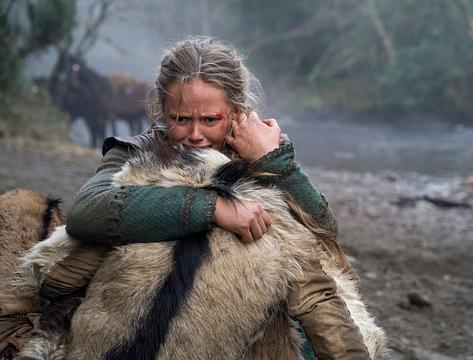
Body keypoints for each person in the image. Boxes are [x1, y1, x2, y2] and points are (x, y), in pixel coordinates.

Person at [50, 36, 369, 359]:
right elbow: (86, 213)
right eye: (181, 119)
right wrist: (213, 207)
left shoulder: (262, 152)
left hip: (249, 304)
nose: (195, 134)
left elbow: (324, 231)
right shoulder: (138, 150)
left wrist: (274, 162)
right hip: (138, 303)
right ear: (162, 109)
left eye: (210, 120)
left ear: (236, 110)